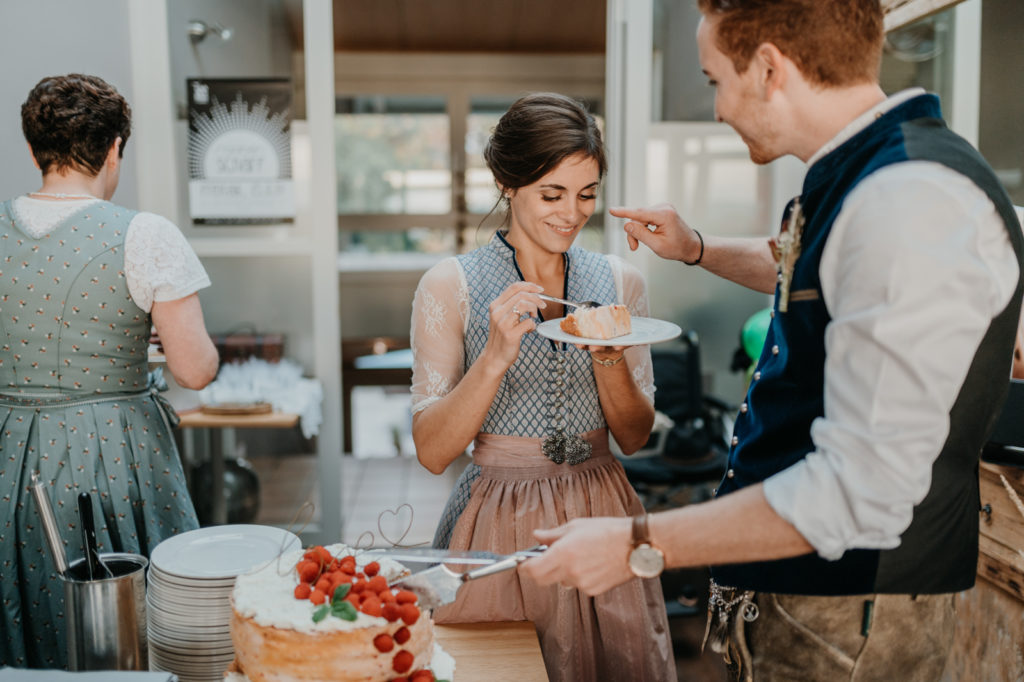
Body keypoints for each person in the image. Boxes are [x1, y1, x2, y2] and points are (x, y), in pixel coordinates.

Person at [521, 2, 1024, 680]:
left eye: (713, 81)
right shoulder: (867, 175)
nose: (719, 109)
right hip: (806, 599)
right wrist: (696, 247)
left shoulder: (910, 198)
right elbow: (816, 269)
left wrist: (638, 540)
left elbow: (860, 490)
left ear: (767, 69)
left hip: (850, 616)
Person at [409, 92, 675, 681]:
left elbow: (633, 437)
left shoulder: (619, 281)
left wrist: (610, 357)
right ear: (507, 183)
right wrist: (495, 358)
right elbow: (432, 451)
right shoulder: (450, 285)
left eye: (586, 195)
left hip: (602, 506)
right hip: (496, 517)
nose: (571, 214)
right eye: (551, 195)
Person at [0, 74, 219, 668]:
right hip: (114, 448)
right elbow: (195, 370)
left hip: (7, 448)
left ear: (32, 149)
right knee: (132, 617)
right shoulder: (143, 235)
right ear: (115, 147)